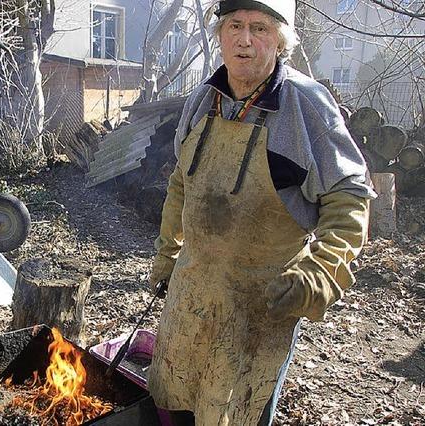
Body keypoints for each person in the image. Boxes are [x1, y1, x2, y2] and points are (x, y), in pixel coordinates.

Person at [146, 1, 376, 425]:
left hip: (260, 305)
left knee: (237, 415)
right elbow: (182, 182)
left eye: (260, 28)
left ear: (281, 40)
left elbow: (350, 196)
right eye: (234, 25)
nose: (244, 39)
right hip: (191, 292)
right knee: (174, 403)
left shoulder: (305, 105)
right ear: (220, 35)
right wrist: (168, 254)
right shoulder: (204, 98)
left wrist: (319, 271)